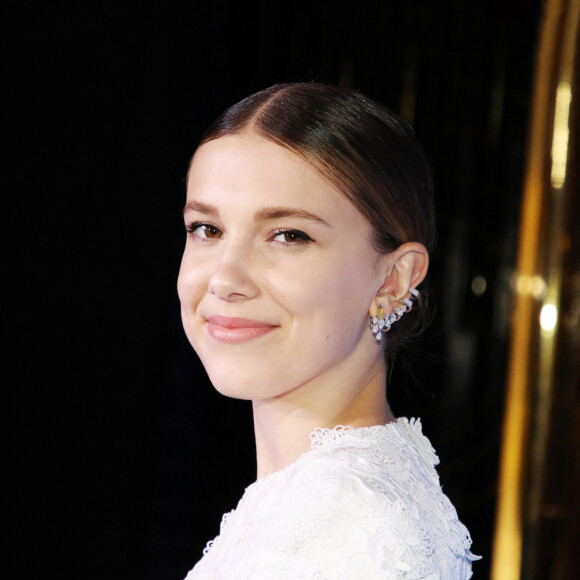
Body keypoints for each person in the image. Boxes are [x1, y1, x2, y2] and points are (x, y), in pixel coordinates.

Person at [178, 83, 479, 579]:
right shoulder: (331, 504)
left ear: (393, 279)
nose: (225, 279)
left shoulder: (345, 533)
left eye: (289, 235)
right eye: (207, 229)